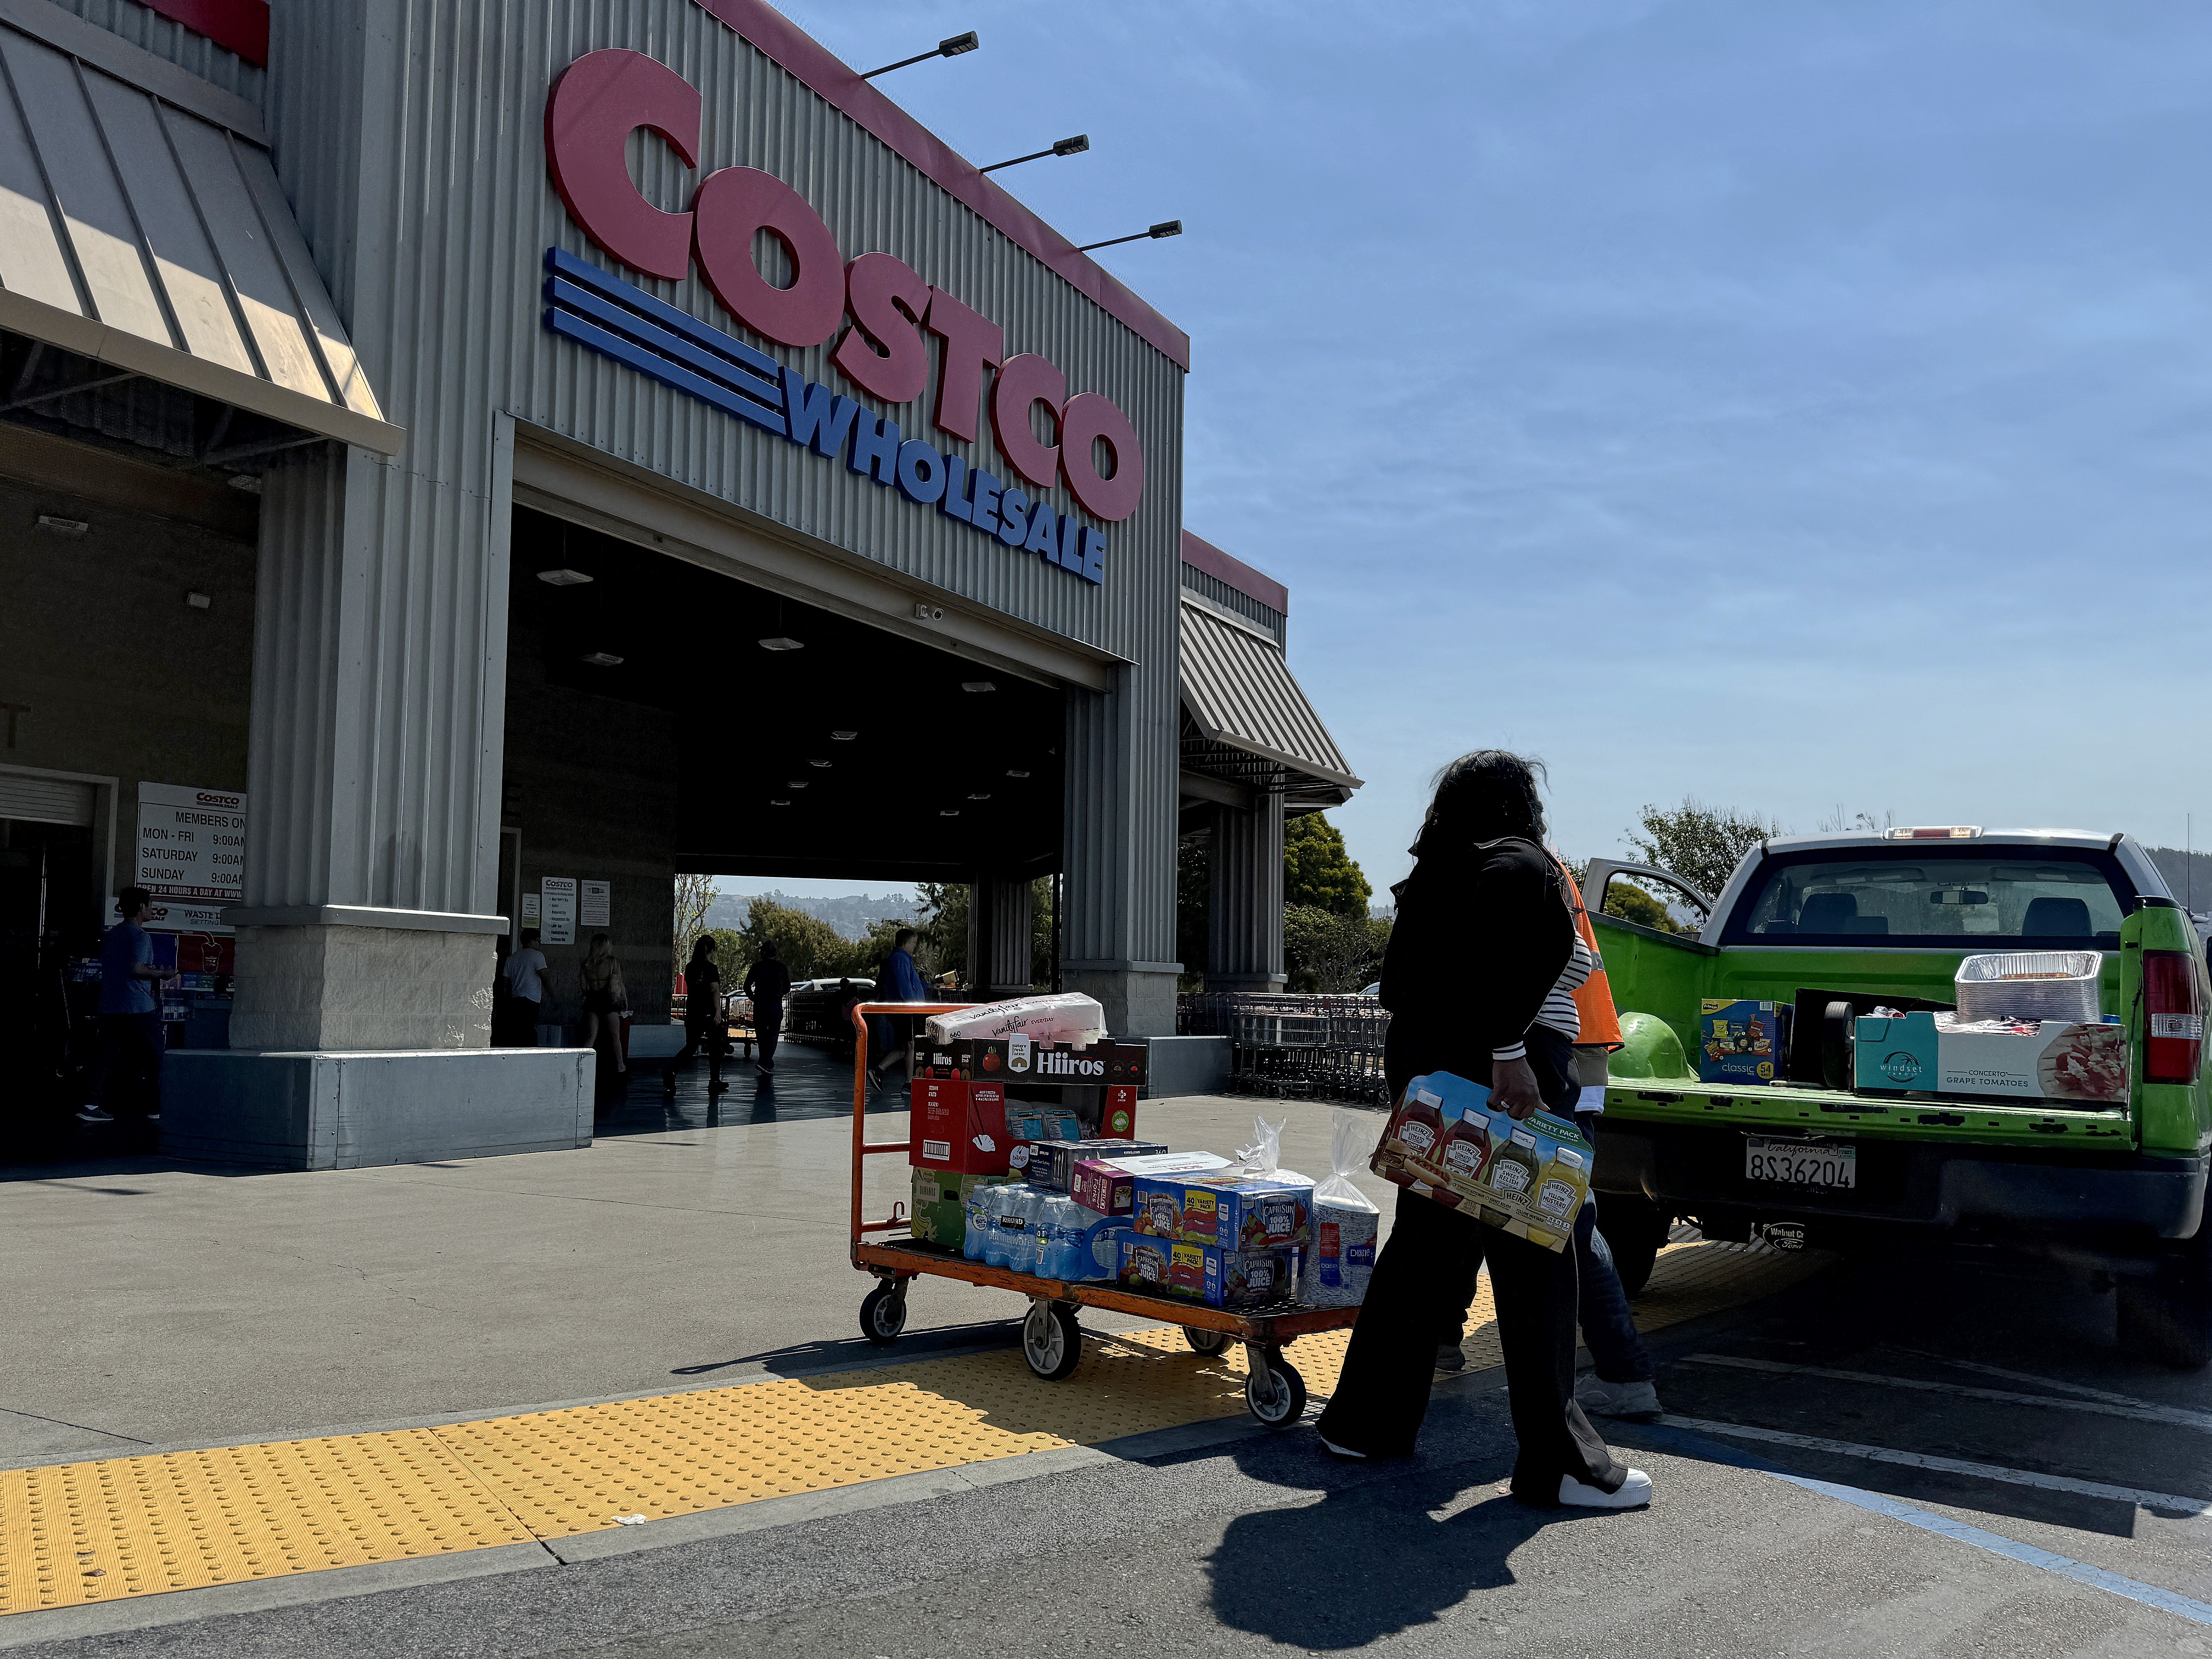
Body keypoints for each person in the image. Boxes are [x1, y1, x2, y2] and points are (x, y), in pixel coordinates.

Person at [1311, 750, 1651, 1510]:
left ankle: (1363, 1424)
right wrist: (1508, 1051)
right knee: (1537, 1257)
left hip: (1434, 1077)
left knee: (1422, 1254)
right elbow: (1495, 956)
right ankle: (1559, 1465)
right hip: (1510, 1077)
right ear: (1518, 803)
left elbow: (1403, 982)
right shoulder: (1518, 864)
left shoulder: (1436, 866)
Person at [1432, 857, 1663, 1421]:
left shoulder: (1515, 862)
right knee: (1477, 1186)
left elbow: (1550, 963)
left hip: (1555, 1056)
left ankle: (1624, 1372)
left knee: (1566, 1216)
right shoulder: (1541, 860)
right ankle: (1441, 1335)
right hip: (1576, 1050)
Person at [79, 887, 176, 1124]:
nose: (153, 909)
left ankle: (91, 1105)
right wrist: (162, 973)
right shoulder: (140, 936)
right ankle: (155, 1107)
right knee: (154, 1056)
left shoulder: (114, 934)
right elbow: (136, 968)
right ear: (142, 907)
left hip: (111, 1005)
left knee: (106, 1055)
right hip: (138, 1007)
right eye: (150, 905)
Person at [665, 935, 728, 1094]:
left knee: (691, 1047)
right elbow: (715, 990)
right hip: (709, 1013)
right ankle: (714, 1080)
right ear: (712, 950)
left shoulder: (690, 967)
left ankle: (671, 1071)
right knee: (715, 1046)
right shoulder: (711, 968)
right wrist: (718, 1012)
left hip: (693, 1011)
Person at [869, 926, 928, 1087]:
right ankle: (909, 1083)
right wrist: (913, 1005)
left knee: (904, 1047)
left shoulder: (902, 959)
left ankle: (880, 1070)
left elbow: (912, 983)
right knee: (910, 1044)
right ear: (905, 943)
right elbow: (905, 987)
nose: (915, 946)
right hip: (905, 1009)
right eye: (914, 943)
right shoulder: (901, 960)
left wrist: (927, 986)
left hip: (904, 1008)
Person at [577, 933, 629, 1076]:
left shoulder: (587, 963)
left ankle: (581, 1065)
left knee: (591, 1036)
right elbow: (619, 983)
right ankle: (620, 1066)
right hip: (608, 1001)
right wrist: (624, 1000)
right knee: (615, 1037)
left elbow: (583, 986)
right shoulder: (612, 962)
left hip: (592, 1000)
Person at [742, 941, 791, 1078]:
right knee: (774, 1034)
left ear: (763, 953)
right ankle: (766, 1062)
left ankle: (765, 1061)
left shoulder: (757, 967)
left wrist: (754, 998)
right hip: (776, 1003)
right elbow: (788, 987)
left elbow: (747, 986)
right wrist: (779, 993)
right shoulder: (782, 968)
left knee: (762, 1034)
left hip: (761, 1004)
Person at [503, 929, 548, 1046]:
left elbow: (506, 982)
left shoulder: (513, 958)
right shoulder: (537, 956)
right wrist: (553, 993)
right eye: (538, 941)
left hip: (515, 998)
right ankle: (532, 1050)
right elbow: (545, 977)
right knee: (529, 1028)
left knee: (517, 1029)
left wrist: (505, 1000)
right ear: (530, 941)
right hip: (531, 999)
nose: (539, 944)